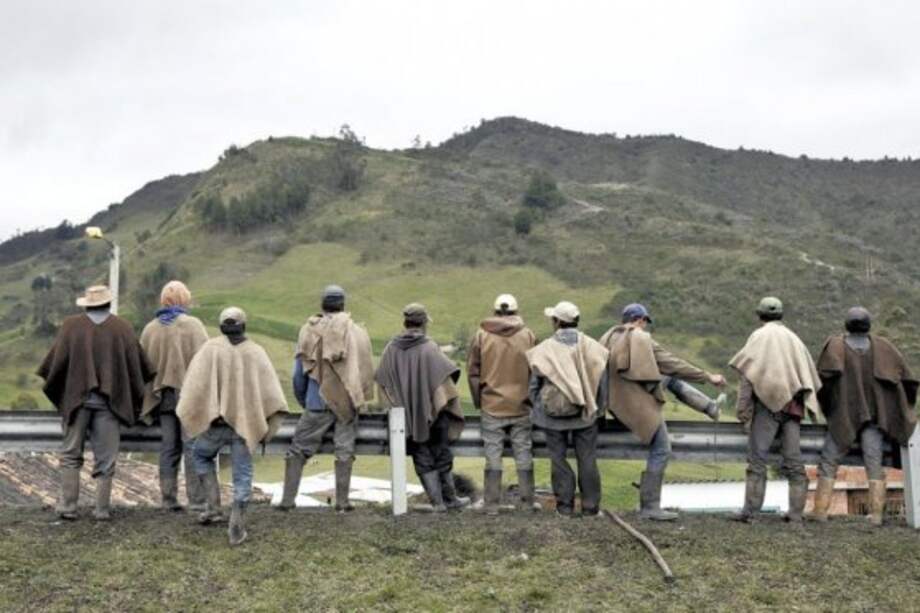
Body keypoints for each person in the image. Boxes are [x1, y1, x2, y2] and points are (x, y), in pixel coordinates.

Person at [599, 303, 727, 520]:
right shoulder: (640, 339)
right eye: (645, 322)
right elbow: (672, 363)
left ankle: (709, 406)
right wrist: (707, 376)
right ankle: (650, 507)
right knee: (662, 449)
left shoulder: (607, 337)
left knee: (669, 378)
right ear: (640, 320)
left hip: (612, 404)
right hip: (634, 406)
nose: (646, 327)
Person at [37, 285, 155, 521]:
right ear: (108, 303)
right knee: (107, 458)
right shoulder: (122, 327)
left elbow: (56, 364)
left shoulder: (71, 326)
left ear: (88, 304)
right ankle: (101, 510)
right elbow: (140, 366)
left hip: (76, 402)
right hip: (110, 404)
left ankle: (68, 507)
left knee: (70, 454)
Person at [177, 307, 289, 546]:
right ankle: (236, 522)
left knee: (200, 455)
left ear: (221, 327)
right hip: (244, 426)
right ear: (244, 326)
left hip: (215, 424)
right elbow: (272, 393)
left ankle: (214, 507)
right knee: (243, 474)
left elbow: (193, 386)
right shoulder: (256, 352)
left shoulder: (210, 349)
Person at [811, 307, 918, 525]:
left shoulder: (835, 346)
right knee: (874, 462)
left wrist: (830, 406)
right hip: (875, 417)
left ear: (847, 324)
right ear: (868, 324)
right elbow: (908, 380)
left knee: (829, 460)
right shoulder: (884, 347)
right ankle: (876, 516)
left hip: (844, 415)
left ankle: (820, 511)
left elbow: (821, 381)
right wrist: (897, 406)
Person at [279, 285, 374, 512]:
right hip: (347, 403)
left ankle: (287, 501)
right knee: (344, 450)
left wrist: (306, 400)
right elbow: (366, 370)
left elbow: (298, 373)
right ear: (343, 305)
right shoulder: (358, 333)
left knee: (299, 450)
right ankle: (342, 503)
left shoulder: (309, 331)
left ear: (323, 304)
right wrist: (357, 398)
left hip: (316, 401)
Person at [730, 297, 821, 524]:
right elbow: (807, 374)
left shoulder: (758, 337)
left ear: (760, 315)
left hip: (766, 407)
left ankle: (750, 512)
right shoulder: (794, 339)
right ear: (781, 315)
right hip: (793, 408)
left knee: (757, 460)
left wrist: (743, 410)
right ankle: (796, 514)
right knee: (793, 461)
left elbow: (748, 377)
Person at [375, 303, 468, 512]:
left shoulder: (391, 348)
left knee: (422, 457)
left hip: (406, 416)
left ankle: (437, 504)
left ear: (404, 323)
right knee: (441, 454)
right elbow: (446, 376)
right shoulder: (429, 346)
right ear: (424, 323)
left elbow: (381, 378)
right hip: (435, 414)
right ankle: (451, 500)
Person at [526, 301, 608, 517]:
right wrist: (598, 410)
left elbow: (534, 386)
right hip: (585, 415)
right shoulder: (594, 347)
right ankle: (590, 508)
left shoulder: (545, 349)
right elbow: (602, 381)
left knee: (558, 460)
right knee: (588, 460)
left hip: (551, 416)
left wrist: (538, 409)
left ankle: (564, 508)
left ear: (557, 322)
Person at [139, 281, 209, 511]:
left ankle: (168, 499)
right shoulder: (193, 325)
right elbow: (206, 362)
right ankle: (197, 501)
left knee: (169, 447)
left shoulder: (150, 329)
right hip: (188, 395)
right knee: (192, 447)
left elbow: (142, 365)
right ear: (184, 299)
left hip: (163, 397)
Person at [467, 293, 538, 514]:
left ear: (495, 311)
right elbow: (535, 371)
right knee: (524, 453)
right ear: (516, 311)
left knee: (492, 455)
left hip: (491, 405)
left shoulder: (481, 335)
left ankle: (491, 504)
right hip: (522, 405)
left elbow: (473, 373)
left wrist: (480, 401)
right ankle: (526, 503)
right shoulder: (528, 335)